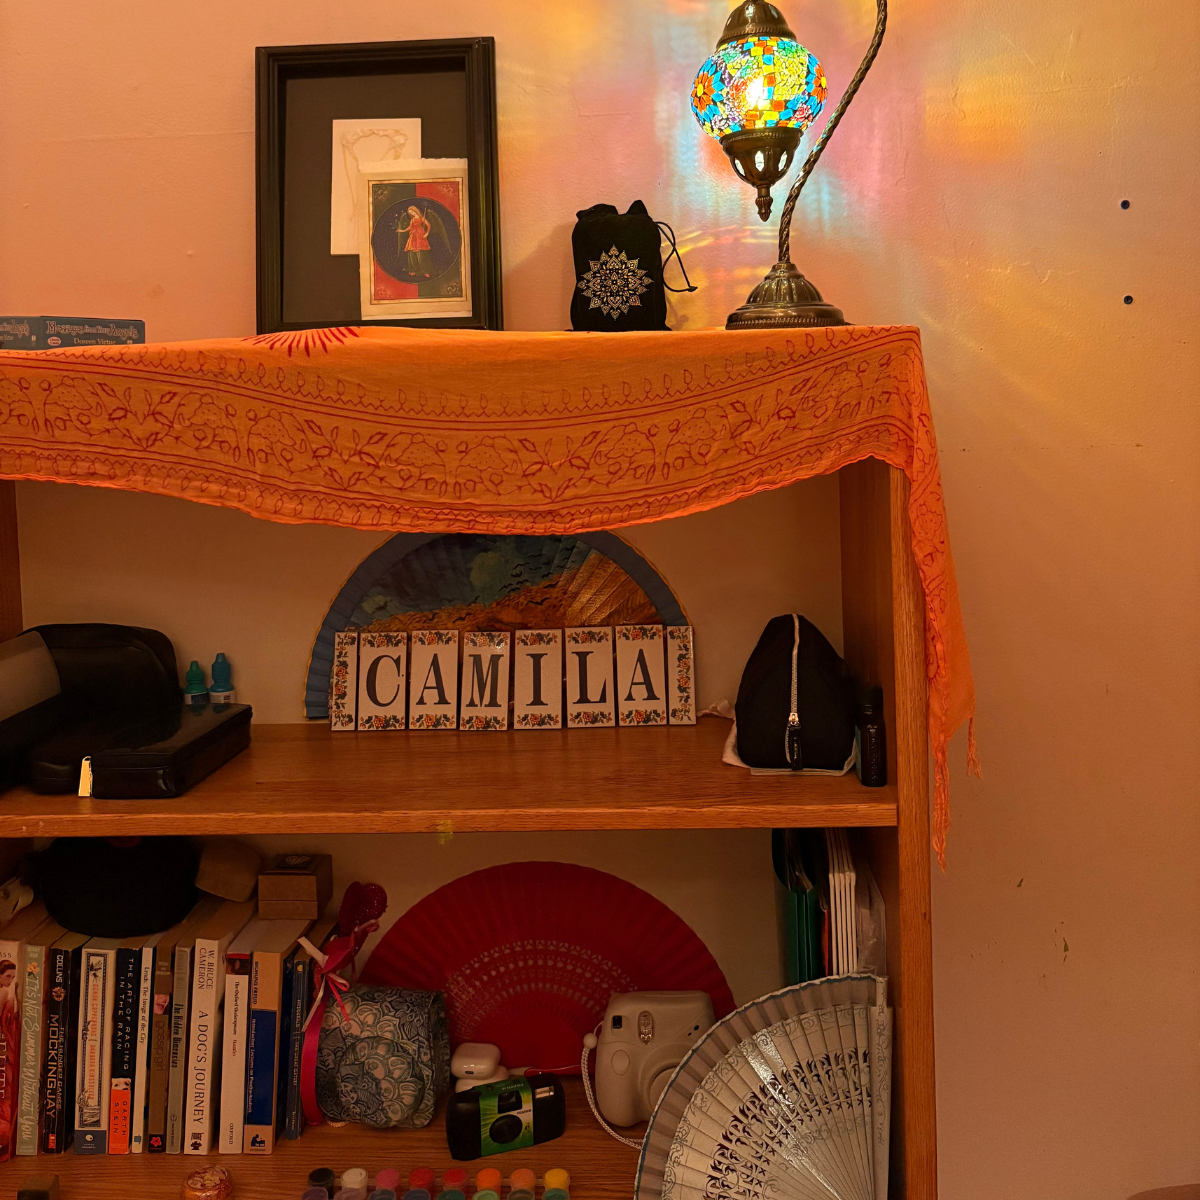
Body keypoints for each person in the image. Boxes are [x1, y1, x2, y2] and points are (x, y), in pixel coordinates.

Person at [396, 205, 432, 278]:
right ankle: (414, 270)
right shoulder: (412, 220)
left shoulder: (422, 218)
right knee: (412, 253)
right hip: (413, 236)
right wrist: (402, 230)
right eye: (410, 213)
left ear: (415, 210)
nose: (411, 213)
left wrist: (427, 233)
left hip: (420, 235)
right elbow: (410, 227)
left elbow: (428, 225)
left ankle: (425, 271)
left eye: (412, 211)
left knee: (421, 254)